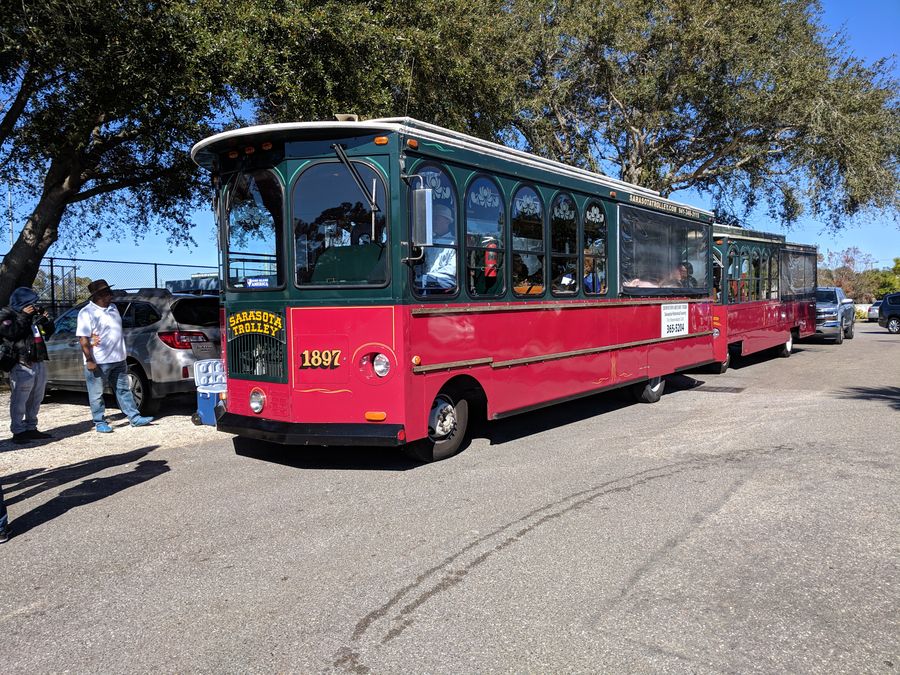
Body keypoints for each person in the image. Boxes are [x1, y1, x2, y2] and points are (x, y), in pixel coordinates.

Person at [76, 279, 153, 432]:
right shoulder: (86, 312)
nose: (111, 295)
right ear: (98, 295)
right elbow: (83, 338)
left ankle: (134, 417)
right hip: (98, 361)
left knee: (124, 390)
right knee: (97, 393)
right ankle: (99, 422)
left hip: (119, 358)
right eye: (107, 292)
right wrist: (89, 359)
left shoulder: (113, 308)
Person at [0, 286, 55, 444]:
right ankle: (18, 431)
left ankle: (32, 427)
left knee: (37, 397)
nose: (33, 306)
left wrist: (46, 320)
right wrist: (24, 316)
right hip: (20, 362)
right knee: (20, 399)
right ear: (21, 302)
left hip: (38, 360)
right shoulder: (7, 314)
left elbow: (49, 332)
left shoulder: (33, 316)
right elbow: (10, 333)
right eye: (31, 303)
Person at [417, 204, 457, 291]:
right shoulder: (430, 241)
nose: (433, 222)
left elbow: (453, 268)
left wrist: (431, 275)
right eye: (433, 219)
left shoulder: (454, 242)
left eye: (436, 219)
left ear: (447, 221)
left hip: (446, 279)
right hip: (429, 278)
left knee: (424, 281)